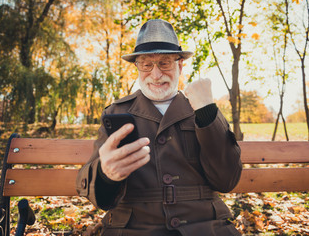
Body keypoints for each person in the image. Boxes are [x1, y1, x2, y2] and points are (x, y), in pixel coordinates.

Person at [76, 19, 242, 236]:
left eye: (164, 63)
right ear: (137, 67)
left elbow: (227, 180)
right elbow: (99, 196)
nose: (155, 74)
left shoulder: (201, 108)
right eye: (146, 64)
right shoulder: (115, 113)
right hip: (135, 228)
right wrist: (106, 174)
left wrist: (208, 112)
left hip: (204, 226)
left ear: (180, 65)